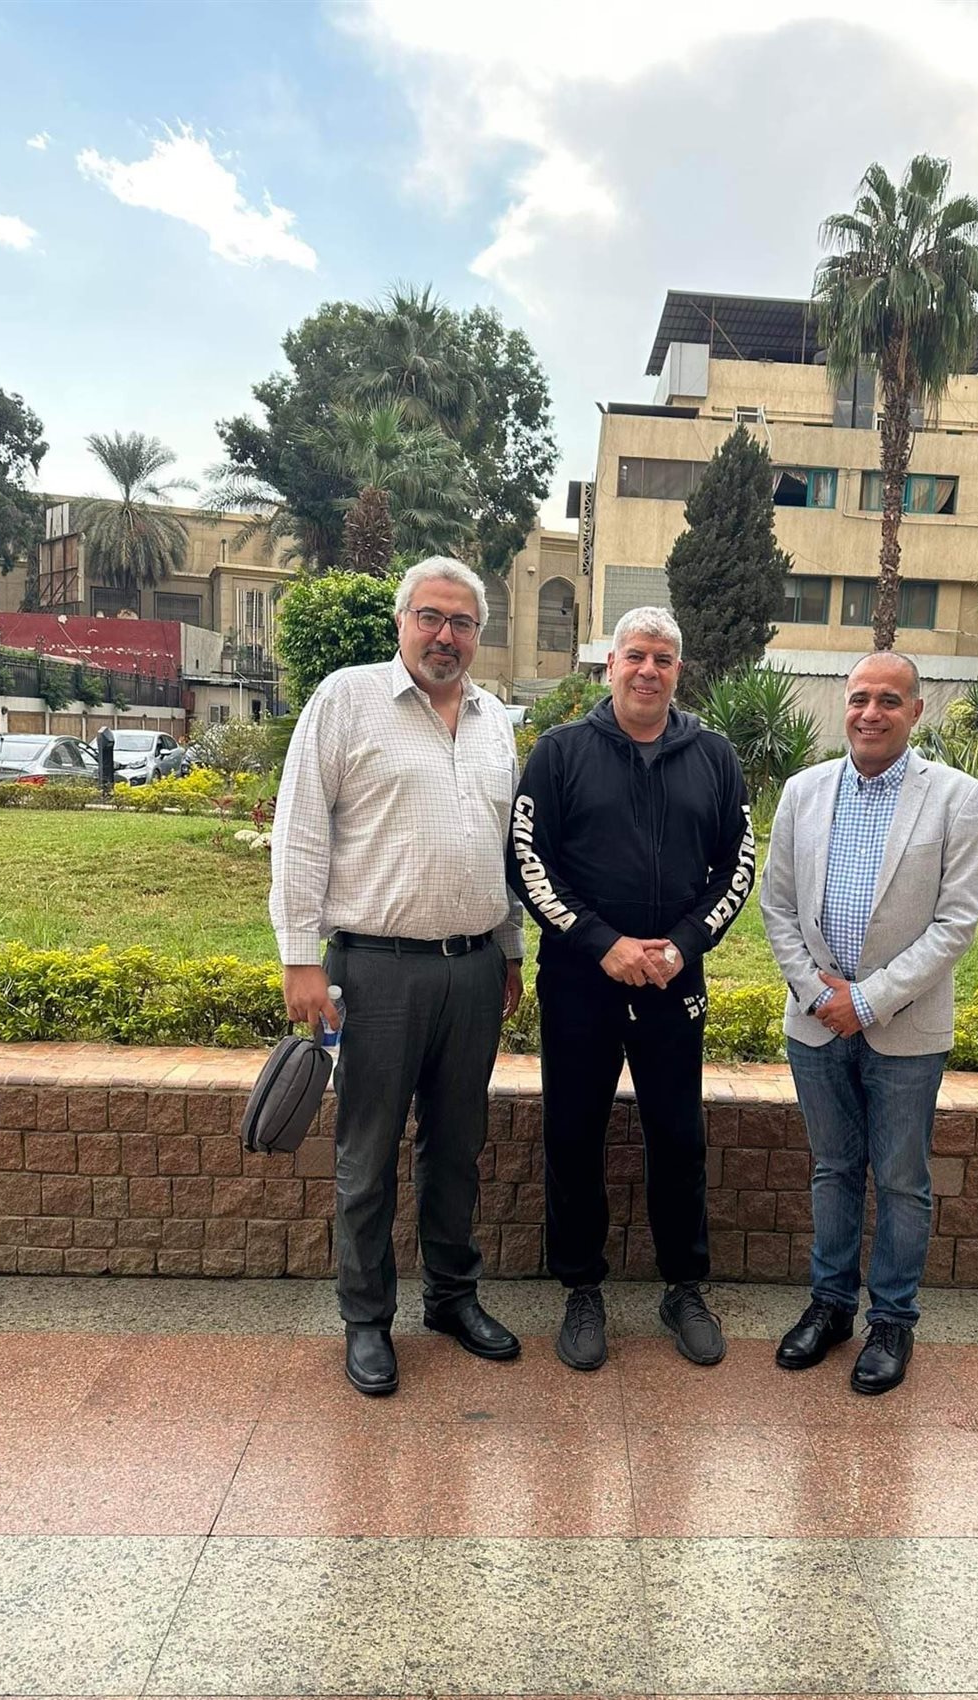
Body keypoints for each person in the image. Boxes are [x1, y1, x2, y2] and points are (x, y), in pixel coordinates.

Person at [271, 555, 526, 1397]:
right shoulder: (347, 699)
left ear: (478, 634)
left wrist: (510, 949)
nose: (445, 635)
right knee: (368, 1152)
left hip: (472, 969)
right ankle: (367, 1318)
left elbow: (502, 850)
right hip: (374, 972)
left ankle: (452, 1298)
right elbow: (300, 828)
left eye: (462, 623)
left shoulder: (494, 721)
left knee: (457, 1147)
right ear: (402, 622)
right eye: (431, 617)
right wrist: (299, 955)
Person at [508, 607, 754, 1373]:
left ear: (679, 671)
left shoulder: (713, 755)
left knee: (678, 1138)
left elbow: (737, 866)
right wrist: (601, 944)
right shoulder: (560, 753)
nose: (649, 670)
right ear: (610, 665)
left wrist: (683, 945)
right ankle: (582, 1290)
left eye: (664, 659)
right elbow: (528, 861)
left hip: (674, 983)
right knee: (573, 1136)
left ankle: (685, 1288)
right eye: (636, 656)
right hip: (580, 983)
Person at [759, 651, 978, 1394]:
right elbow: (777, 906)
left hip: (905, 1028)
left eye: (890, 700)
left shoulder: (957, 797)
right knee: (832, 1169)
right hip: (815, 1023)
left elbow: (956, 923)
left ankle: (892, 1320)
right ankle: (830, 1307)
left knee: (900, 1179)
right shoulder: (803, 791)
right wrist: (815, 993)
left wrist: (866, 1001)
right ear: (844, 704)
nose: (871, 712)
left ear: (916, 710)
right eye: (860, 697)